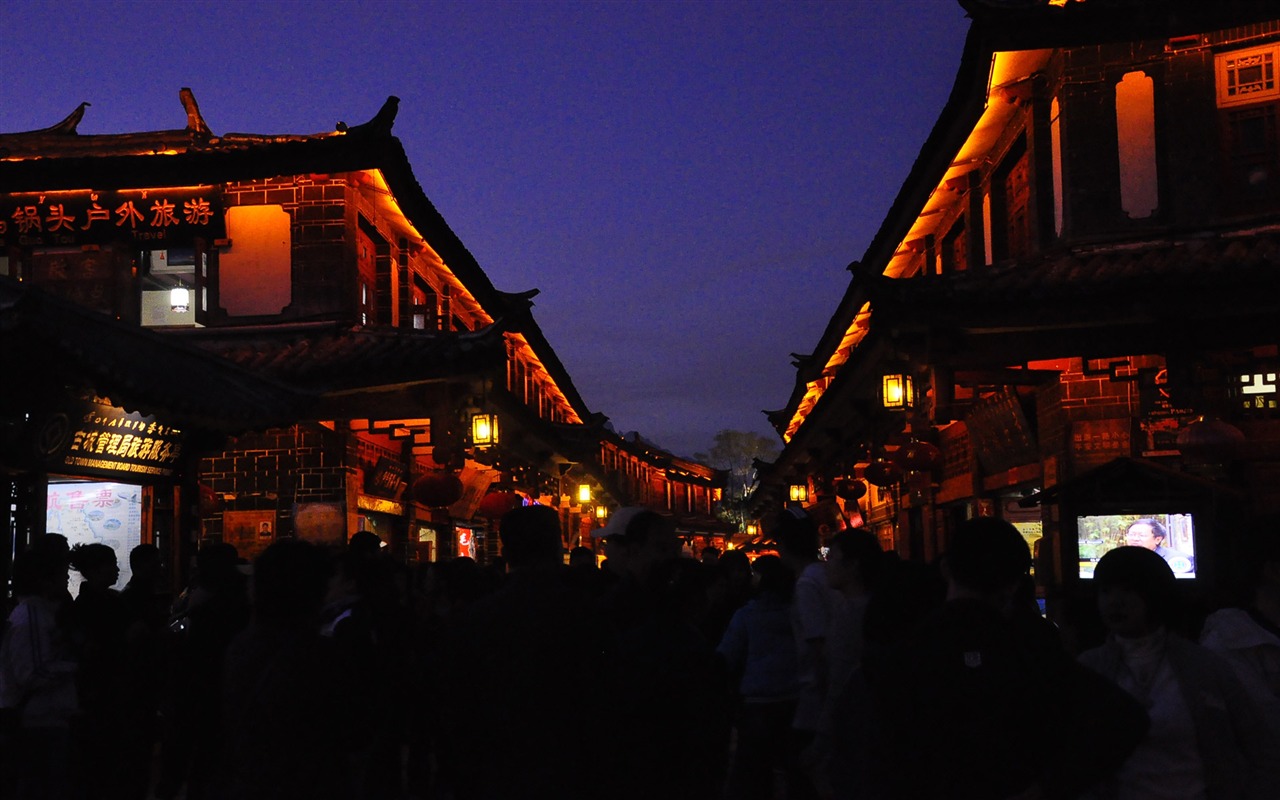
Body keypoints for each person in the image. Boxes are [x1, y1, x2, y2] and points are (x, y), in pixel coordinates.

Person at [861, 517, 1149, 799]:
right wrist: (1046, 787)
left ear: (946, 569)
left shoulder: (907, 645)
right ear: (1016, 583)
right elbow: (1124, 719)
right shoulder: (1031, 646)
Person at [1080, 546, 1280, 799]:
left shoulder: (1203, 666)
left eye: (1128, 590)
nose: (1114, 601)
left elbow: (1258, 746)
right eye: (1106, 591)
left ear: (1154, 595)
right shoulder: (1089, 669)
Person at [716, 554, 804, 800]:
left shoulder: (746, 615)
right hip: (794, 697)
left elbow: (727, 654)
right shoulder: (795, 612)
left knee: (752, 771)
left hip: (757, 700)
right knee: (792, 766)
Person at [0, 547, 79, 800]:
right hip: (39, 721)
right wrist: (75, 666)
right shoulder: (33, 616)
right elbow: (33, 673)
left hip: (40, 719)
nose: (66, 579)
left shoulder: (33, 613)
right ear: (45, 579)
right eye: (61, 573)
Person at [775, 507, 837, 798]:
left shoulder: (806, 584)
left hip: (815, 700)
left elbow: (818, 647)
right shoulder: (824, 574)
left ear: (784, 546)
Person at [1125, 518, 1194, 576]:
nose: (1135, 539)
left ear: (1158, 539)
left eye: (1142, 535)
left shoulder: (1178, 560)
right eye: (1131, 534)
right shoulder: (1121, 558)